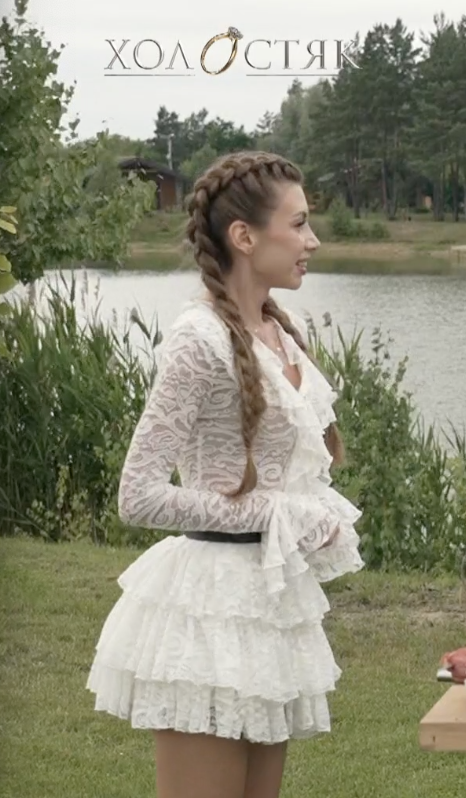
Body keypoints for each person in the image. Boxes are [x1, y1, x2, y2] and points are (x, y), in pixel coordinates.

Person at [86, 151, 364, 798]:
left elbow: (285, 470)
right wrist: (272, 513)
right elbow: (138, 494)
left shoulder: (282, 332)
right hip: (207, 608)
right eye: (298, 224)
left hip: (270, 603)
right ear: (245, 236)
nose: (313, 241)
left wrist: (311, 512)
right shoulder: (199, 339)